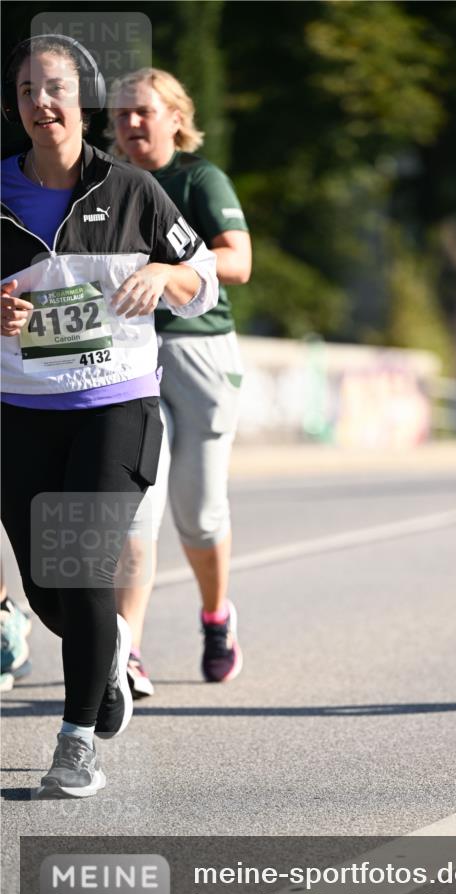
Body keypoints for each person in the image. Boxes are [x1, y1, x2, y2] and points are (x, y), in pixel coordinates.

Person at [0, 35, 218, 796]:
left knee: (82, 565)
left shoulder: (131, 190)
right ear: (15, 106)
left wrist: (163, 273)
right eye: (27, 91)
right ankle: (111, 650)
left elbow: (205, 276)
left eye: (54, 88)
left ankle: (76, 738)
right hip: (21, 409)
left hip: (116, 400)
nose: (41, 104)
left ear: (82, 101)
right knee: (47, 591)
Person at [108, 68, 251, 693]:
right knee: (136, 506)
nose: (131, 124)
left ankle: (217, 618)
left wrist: (167, 270)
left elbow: (239, 262)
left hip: (200, 352)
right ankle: (127, 651)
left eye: (143, 111)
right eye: (120, 115)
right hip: (130, 355)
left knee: (197, 512)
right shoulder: (106, 185)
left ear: (174, 116)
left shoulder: (199, 178)